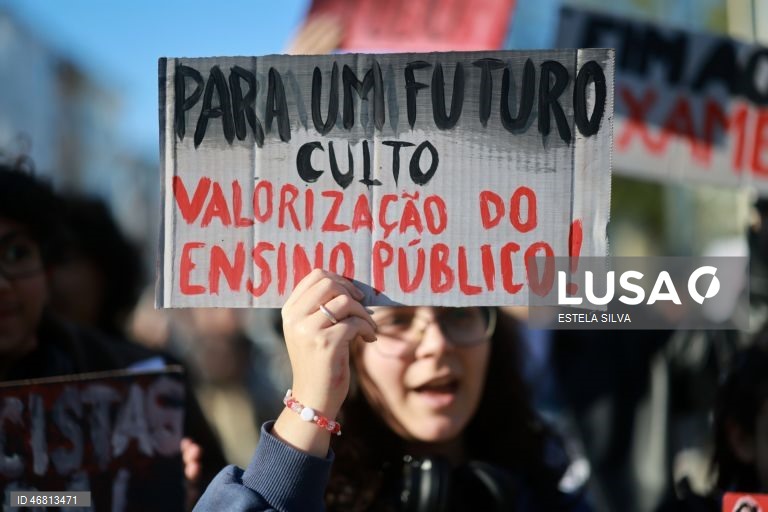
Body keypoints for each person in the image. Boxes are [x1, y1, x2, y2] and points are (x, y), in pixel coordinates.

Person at [194, 269, 591, 511]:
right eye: (399, 321)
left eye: (459, 313)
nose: (436, 343)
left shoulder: (552, 492)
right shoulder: (310, 500)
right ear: (348, 353)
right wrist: (310, 403)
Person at [0, 164, 226, 508]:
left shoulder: (140, 377)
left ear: (47, 268)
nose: (3, 284)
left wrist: (189, 497)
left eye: (17, 254)